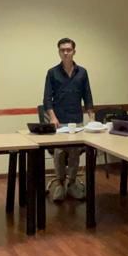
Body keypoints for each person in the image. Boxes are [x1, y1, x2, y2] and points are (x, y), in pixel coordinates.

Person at [42, 37, 95, 201]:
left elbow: (87, 96)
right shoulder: (52, 73)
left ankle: (71, 184)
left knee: (74, 152)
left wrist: (92, 119)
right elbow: (47, 99)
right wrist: (52, 118)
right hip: (59, 120)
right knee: (59, 152)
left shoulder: (82, 72)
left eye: (68, 50)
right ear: (59, 52)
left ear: (74, 51)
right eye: (62, 50)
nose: (66, 52)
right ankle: (60, 184)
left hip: (76, 120)